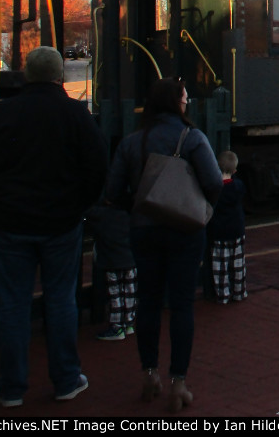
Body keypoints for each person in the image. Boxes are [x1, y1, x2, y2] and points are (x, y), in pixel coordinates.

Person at [0, 46, 108, 408]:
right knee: (61, 300)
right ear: (60, 76)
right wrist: (78, 206)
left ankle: (11, 388)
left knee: (12, 304)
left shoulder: (2, 114)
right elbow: (97, 169)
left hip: (11, 224)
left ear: (26, 75)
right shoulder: (76, 115)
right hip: (61, 224)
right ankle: (65, 379)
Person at [105, 78, 222, 412]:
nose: (187, 103)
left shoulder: (131, 143)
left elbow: (113, 193)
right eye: (185, 98)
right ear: (176, 103)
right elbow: (214, 182)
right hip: (185, 232)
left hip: (144, 231)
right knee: (183, 305)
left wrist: (142, 205)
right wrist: (202, 210)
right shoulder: (193, 138)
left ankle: (149, 375)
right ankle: (179, 384)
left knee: (149, 301)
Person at [85, 195, 137, 340]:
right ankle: (129, 323)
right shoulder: (130, 214)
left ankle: (117, 326)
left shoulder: (102, 214)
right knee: (129, 291)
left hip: (111, 260)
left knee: (115, 294)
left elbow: (87, 212)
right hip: (130, 259)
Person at [206, 151, 247, 304]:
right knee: (237, 264)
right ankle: (239, 292)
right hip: (236, 230)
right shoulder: (238, 186)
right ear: (235, 171)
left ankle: (223, 295)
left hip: (218, 232)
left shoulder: (215, 189)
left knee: (220, 266)